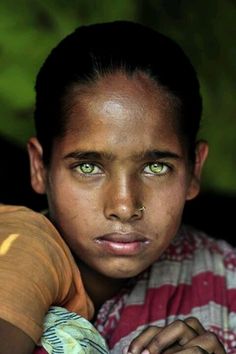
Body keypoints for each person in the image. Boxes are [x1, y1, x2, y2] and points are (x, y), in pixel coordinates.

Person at [0, 20, 234, 353]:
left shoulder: (226, 279)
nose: (124, 206)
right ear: (40, 166)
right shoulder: (16, 252)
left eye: (156, 167)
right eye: (88, 166)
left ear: (195, 169)